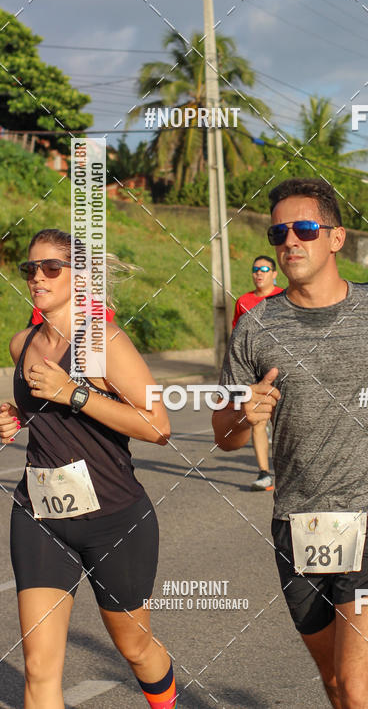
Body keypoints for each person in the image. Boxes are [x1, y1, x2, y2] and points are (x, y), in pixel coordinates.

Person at [213, 178, 368, 709]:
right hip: (298, 522)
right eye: (279, 231)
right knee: (333, 683)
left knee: (357, 687)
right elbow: (225, 437)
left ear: (335, 238)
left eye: (304, 228)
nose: (290, 242)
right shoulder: (254, 327)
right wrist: (243, 414)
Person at [0, 229, 177, 709]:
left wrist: (74, 393)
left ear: (81, 278)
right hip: (39, 513)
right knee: (38, 668)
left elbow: (157, 425)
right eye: (30, 269)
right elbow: (38, 409)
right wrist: (12, 416)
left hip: (113, 519)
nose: (37, 277)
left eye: (51, 268)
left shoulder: (106, 343)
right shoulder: (23, 344)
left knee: (136, 649)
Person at [232, 256, 283, 491]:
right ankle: (264, 473)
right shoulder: (243, 301)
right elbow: (237, 338)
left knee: (284, 422)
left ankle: (288, 470)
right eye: (255, 270)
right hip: (255, 371)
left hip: (284, 368)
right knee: (258, 420)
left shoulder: (285, 296)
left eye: (264, 269)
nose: (259, 273)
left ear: (274, 274)